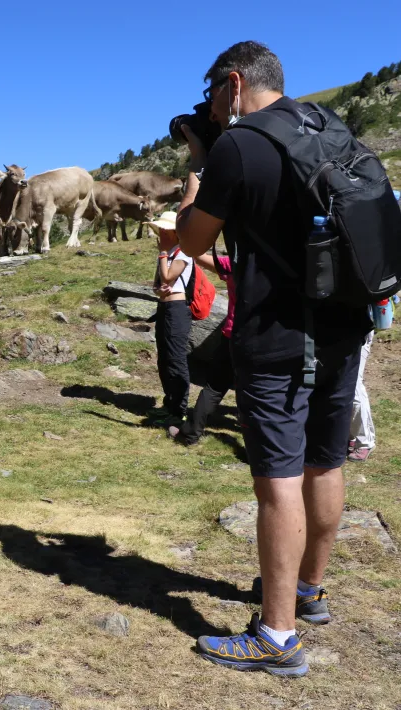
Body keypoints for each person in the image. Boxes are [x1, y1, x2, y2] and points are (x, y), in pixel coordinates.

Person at [176, 41, 372, 677]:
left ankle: (276, 636)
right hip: (344, 325)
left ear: (235, 84)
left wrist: (199, 167)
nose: (208, 103)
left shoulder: (238, 145)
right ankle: (309, 591)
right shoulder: (329, 127)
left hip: (277, 335)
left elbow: (191, 238)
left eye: (210, 91)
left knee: (277, 477)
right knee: (325, 459)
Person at [169, 250, 236, 445]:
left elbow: (199, 256)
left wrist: (179, 241)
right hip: (272, 340)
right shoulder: (285, 267)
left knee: (215, 387)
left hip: (234, 334)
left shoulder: (239, 263)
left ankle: (190, 433)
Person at [145, 211, 194, 429]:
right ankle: (169, 403)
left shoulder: (183, 253)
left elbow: (168, 276)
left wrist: (163, 252)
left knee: (176, 358)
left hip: (177, 309)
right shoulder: (167, 253)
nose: (161, 233)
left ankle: (180, 409)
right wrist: (158, 290)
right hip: (164, 306)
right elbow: (159, 284)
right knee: (164, 358)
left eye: (165, 230)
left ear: (174, 233)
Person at [347, 330, 375, 461]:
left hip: (358, 330)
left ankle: (365, 441)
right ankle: (350, 436)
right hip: (335, 332)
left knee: (354, 385)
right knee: (341, 386)